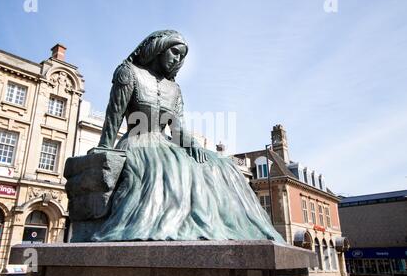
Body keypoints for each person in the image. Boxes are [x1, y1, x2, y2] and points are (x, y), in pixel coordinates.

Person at [92, 30, 285, 243]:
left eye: (181, 56)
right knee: (172, 167)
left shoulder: (174, 88)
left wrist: (191, 145)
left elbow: (177, 129)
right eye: (174, 52)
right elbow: (114, 116)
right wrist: (104, 150)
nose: (178, 59)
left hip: (166, 143)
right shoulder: (128, 73)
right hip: (138, 142)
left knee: (222, 166)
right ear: (159, 48)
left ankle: (236, 229)